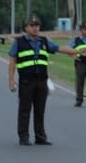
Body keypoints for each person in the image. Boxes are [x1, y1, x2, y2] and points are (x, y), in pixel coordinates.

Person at [8, 16, 79, 146]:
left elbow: (59, 48)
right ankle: (23, 136)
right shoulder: (19, 42)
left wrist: (77, 51)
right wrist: (11, 79)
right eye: (32, 25)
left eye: (37, 25)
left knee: (40, 110)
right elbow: (12, 60)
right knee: (25, 110)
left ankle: (40, 137)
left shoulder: (44, 41)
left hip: (41, 81)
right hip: (26, 81)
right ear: (26, 28)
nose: (35, 28)